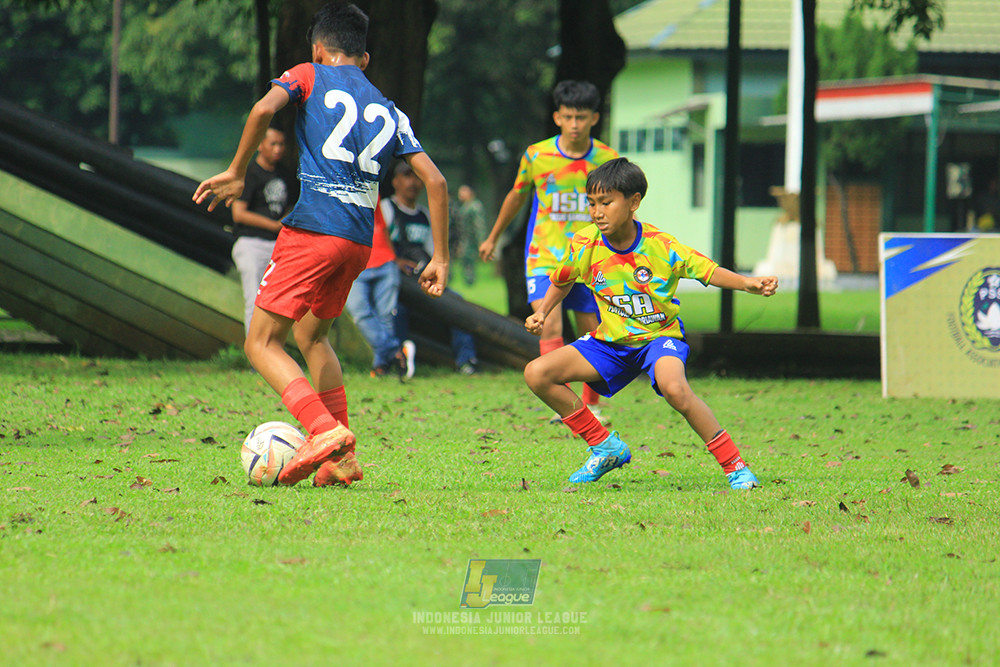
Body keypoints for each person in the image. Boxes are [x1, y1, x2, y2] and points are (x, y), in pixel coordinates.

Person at [193, 2, 449, 487]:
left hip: (312, 231)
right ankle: (342, 461)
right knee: (313, 338)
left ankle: (322, 430)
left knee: (262, 341)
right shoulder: (392, 111)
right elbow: (434, 182)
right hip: (357, 242)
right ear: (365, 59)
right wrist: (440, 256)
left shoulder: (308, 73)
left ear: (317, 48)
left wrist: (236, 171)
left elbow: (264, 107)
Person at [523, 158, 777, 489]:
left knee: (675, 389)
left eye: (607, 202)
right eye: (592, 203)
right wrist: (543, 310)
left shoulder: (661, 246)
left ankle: (735, 466)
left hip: (659, 339)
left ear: (634, 202)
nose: (597, 212)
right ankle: (605, 446)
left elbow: (707, 269)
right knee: (537, 373)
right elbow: (562, 279)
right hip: (610, 343)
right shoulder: (585, 243)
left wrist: (747, 283)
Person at [479, 80, 617, 421]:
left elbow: (621, 208)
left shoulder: (607, 159)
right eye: (568, 116)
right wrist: (494, 236)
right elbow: (517, 194)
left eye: (581, 117)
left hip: (590, 259)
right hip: (545, 259)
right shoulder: (537, 155)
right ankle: (565, 406)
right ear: (557, 117)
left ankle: (594, 407)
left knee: (593, 332)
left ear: (594, 118)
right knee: (550, 326)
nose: (574, 125)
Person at [384, 161, 478, 375]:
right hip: (395, 282)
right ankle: (396, 360)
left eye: (417, 176)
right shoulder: (386, 209)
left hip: (421, 280)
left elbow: (432, 252)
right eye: (406, 175)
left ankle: (466, 360)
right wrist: (396, 262)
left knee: (457, 304)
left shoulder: (425, 215)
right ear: (395, 181)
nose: (413, 182)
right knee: (397, 310)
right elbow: (377, 245)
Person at [230, 127, 296, 335]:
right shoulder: (249, 173)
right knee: (255, 300)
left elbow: (291, 206)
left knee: (276, 303)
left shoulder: (285, 174)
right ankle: (255, 356)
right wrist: (274, 225)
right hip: (252, 243)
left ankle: (272, 350)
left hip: (278, 246)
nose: (278, 149)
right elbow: (239, 213)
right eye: (273, 144)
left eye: (281, 144)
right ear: (260, 145)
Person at [344, 198, 411, 378]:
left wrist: (393, 258)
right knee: (359, 311)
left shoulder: (373, 188)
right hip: (356, 262)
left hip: (385, 261)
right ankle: (395, 351)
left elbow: (383, 227)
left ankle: (382, 365)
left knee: (386, 315)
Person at [454, 184, 487, 285]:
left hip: (472, 238)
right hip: (464, 238)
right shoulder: (463, 206)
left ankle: (470, 280)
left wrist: (481, 241)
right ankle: (468, 280)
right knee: (465, 259)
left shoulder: (475, 206)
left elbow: (479, 224)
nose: (460, 194)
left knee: (469, 259)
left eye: (463, 192)